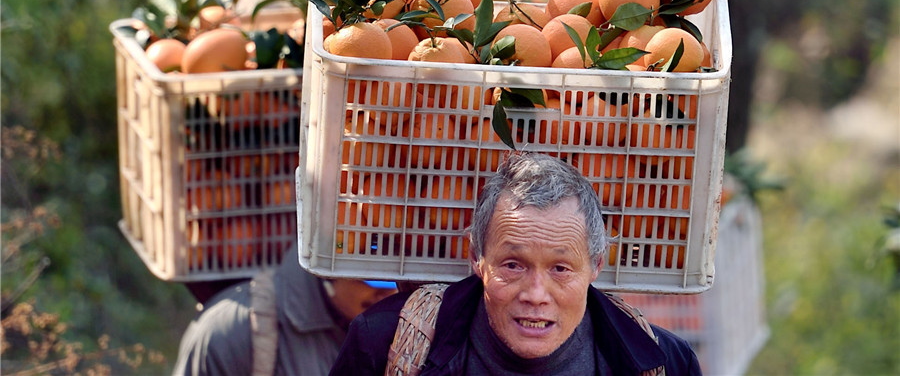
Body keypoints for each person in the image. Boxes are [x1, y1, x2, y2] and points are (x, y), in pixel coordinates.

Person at [330, 152, 702, 375]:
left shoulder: (665, 363)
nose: (536, 295)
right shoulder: (382, 346)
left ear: (596, 265)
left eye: (560, 269)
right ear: (477, 257)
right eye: (513, 265)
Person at [173, 243, 397, 376]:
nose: (393, 292)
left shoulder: (422, 337)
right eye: (375, 276)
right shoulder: (231, 333)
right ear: (329, 263)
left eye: (406, 279)